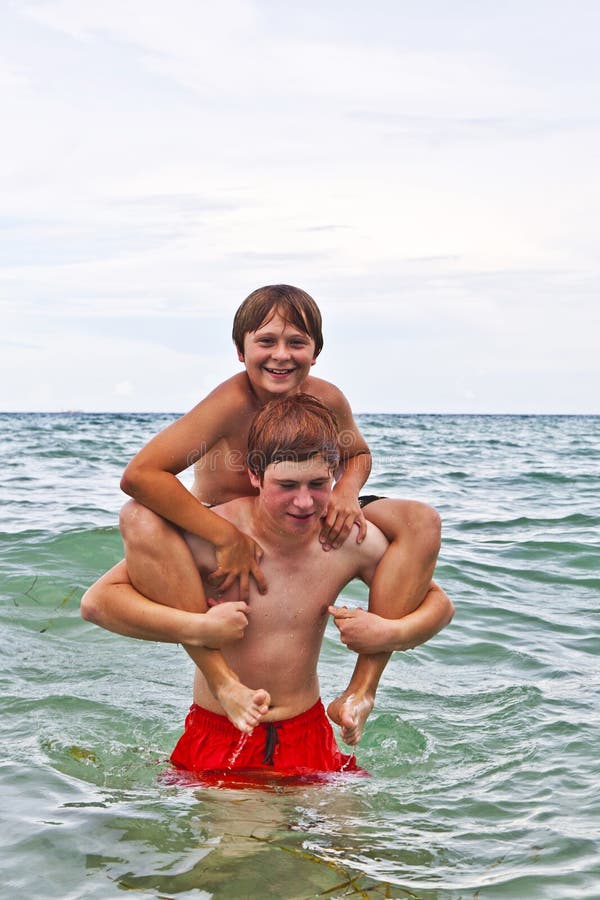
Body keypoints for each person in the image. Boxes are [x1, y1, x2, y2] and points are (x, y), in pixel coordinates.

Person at [116, 285, 443, 740]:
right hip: (227, 524)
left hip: (302, 515)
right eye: (266, 341)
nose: (281, 355)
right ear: (240, 350)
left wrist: (347, 491)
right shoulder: (230, 403)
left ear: (317, 351)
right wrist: (223, 537)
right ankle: (219, 676)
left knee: (421, 521)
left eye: (297, 342)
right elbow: (142, 475)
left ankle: (361, 690)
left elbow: (358, 454)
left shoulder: (327, 398)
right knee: (139, 515)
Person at [81, 395, 454, 777]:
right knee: (246, 834)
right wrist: (199, 627)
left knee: (358, 837)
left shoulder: (342, 540)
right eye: (287, 485)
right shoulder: (217, 538)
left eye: (318, 484)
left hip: (309, 735)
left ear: (335, 477)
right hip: (222, 733)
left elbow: (438, 604)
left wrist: (391, 631)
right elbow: (98, 603)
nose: (305, 501)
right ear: (256, 476)